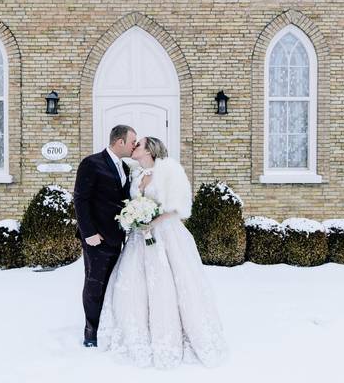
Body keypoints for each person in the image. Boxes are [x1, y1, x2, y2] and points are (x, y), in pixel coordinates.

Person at [97, 136, 228, 368]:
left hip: (166, 236)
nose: (134, 146)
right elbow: (131, 204)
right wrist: (134, 219)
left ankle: (171, 336)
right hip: (139, 239)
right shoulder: (136, 174)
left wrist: (153, 221)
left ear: (150, 149)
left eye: (139, 144)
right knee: (134, 286)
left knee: (168, 285)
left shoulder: (169, 169)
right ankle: (137, 333)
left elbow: (179, 207)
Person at [72, 124, 136, 348]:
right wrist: (89, 233)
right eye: (131, 142)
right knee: (94, 284)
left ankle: (106, 325)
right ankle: (91, 331)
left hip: (117, 237)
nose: (134, 146)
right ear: (120, 142)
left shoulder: (126, 168)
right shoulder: (91, 163)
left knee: (111, 284)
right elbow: (80, 199)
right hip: (96, 238)